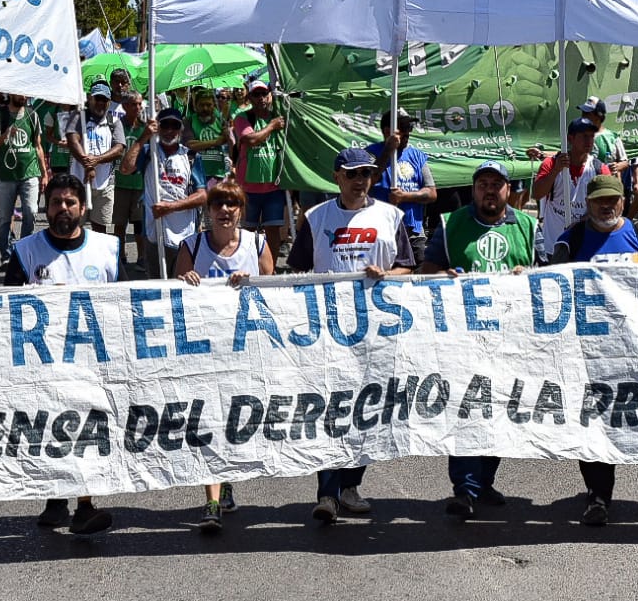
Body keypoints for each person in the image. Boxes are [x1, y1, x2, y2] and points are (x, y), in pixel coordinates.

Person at [287, 147, 414, 523]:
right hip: (327, 332)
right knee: (330, 411)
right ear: (337, 176)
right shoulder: (315, 217)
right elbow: (296, 272)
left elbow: (408, 266)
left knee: (366, 410)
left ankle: (351, 486)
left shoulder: (391, 216)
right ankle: (326, 493)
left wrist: (387, 276)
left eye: (367, 174)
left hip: (376, 330)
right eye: (353, 173)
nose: (361, 181)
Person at [418, 160, 539, 518]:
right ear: (473, 189)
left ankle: (484, 482)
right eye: (483, 183)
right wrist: (445, 274)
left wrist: (529, 274)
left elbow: (549, 275)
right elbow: (426, 271)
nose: (490, 190)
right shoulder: (451, 224)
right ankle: (464, 489)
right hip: (464, 338)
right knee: (468, 409)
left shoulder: (528, 226)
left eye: (496, 184)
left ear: (508, 190)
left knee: (500, 409)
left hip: (510, 338)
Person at [4, 172, 119, 535]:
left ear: (83, 208)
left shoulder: (108, 250)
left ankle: (84, 505)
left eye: (70, 202)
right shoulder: (25, 252)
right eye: (56, 202)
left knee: (87, 428)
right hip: (43, 363)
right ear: (46, 207)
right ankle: (55, 498)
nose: (63, 209)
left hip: (93, 362)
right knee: (51, 427)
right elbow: (3, 310)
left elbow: (125, 304)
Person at [174, 179, 276, 532]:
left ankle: (228, 477)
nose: (225, 211)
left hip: (244, 351)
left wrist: (253, 280)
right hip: (203, 351)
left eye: (232, 204)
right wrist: (184, 280)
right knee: (206, 422)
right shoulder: (193, 245)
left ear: (241, 210)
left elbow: (274, 295)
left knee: (233, 422)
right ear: (209, 210)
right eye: (218, 204)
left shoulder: (257, 244)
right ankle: (212, 501)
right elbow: (174, 298)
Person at [552, 175, 638, 525]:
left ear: (623, 201)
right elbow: (551, 286)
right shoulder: (572, 239)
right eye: (598, 201)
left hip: (630, 347)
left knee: (622, 421)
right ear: (588, 204)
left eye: (613, 200)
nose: (606, 206)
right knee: (593, 421)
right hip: (587, 349)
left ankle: (603, 487)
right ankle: (598, 495)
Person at [120, 107, 207, 278]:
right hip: (155, 234)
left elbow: (203, 196)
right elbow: (125, 168)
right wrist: (144, 136)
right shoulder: (148, 152)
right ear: (157, 127)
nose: (169, 131)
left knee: (185, 284)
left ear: (181, 129)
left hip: (186, 236)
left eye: (174, 126)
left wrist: (171, 207)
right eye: (164, 125)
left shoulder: (190, 157)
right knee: (157, 286)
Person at [531, 117, 609, 258]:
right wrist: (555, 170)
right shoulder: (551, 164)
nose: (589, 141)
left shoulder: (599, 169)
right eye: (584, 136)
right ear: (570, 138)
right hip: (553, 247)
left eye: (591, 136)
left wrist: (581, 222)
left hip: (584, 246)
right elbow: (537, 193)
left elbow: (608, 205)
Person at [368, 109, 437, 264]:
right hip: (382, 232)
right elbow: (368, 180)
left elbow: (432, 193)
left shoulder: (417, 156)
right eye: (403, 128)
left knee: (419, 279)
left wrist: (406, 196)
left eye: (409, 128)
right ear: (387, 131)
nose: (407, 133)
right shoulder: (371, 153)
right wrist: (388, 151)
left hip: (414, 233)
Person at [0, 92, 49, 269]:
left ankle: (24, 254)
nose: (23, 96)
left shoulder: (33, 115)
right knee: (4, 218)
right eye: (19, 92)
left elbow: (37, 145)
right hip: (5, 175)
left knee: (31, 212)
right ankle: (7, 256)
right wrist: (5, 135)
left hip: (29, 172)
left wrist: (44, 173)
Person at [233, 78, 289, 258]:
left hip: (274, 186)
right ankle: (248, 264)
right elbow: (250, 140)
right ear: (249, 97)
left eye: (264, 93)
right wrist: (272, 126)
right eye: (256, 94)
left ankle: (270, 270)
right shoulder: (243, 118)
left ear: (270, 95)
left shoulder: (279, 116)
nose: (261, 98)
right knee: (248, 232)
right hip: (248, 187)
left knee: (272, 231)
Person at [64, 82, 126, 235]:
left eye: (104, 100)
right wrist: (88, 164)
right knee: (75, 224)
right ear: (90, 99)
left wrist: (96, 160)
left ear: (109, 102)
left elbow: (119, 148)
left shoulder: (114, 121)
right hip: (78, 181)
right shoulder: (78, 117)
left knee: (100, 228)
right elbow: (73, 140)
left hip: (105, 184)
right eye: (97, 98)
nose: (100, 103)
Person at [111, 89, 149, 269]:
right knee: (119, 223)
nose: (138, 107)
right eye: (134, 104)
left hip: (140, 182)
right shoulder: (118, 125)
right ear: (125, 106)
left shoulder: (146, 127)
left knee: (139, 224)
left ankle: (142, 257)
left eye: (140, 103)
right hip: (120, 181)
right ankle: (121, 256)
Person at [185, 86, 233, 188]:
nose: (205, 108)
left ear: (214, 105)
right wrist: (216, 142)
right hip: (197, 175)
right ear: (195, 106)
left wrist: (228, 137)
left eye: (208, 105)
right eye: (201, 105)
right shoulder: (189, 121)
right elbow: (190, 145)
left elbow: (231, 148)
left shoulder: (221, 121)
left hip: (219, 174)